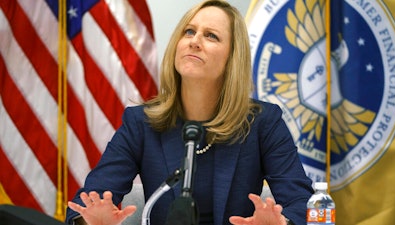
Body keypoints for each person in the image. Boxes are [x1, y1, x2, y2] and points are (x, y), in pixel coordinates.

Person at [66, 0, 314, 224]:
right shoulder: (140, 123)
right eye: (189, 31)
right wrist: (89, 221)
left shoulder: (262, 123)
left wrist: (282, 224)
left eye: (211, 36)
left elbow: (303, 204)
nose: (194, 41)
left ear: (232, 59)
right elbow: (87, 202)